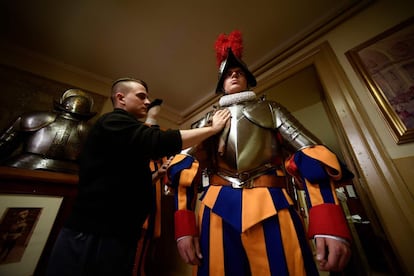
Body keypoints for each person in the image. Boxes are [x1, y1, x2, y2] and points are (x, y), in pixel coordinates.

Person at [167, 30, 352, 275]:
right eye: (228, 74)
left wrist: (328, 223)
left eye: (239, 72)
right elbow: (183, 173)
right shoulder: (207, 119)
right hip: (216, 207)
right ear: (221, 84)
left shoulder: (272, 109)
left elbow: (312, 158)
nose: (234, 74)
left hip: (273, 204)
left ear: (248, 79)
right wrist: (184, 229)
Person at [45, 77, 230, 276]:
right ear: (120, 98)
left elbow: (120, 180)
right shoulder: (113, 121)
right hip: (95, 233)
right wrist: (211, 129)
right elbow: (159, 141)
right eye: (141, 96)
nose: (148, 102)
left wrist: (155, 176)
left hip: (118, 233)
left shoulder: (127, 139)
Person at [0, 89, 96, 174]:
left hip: (25, 166)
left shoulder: (33, 117)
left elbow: (4, 143)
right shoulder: (91, 131)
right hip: (68, 174)